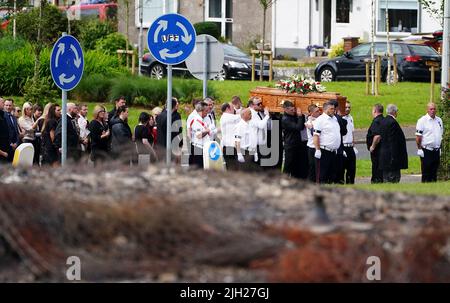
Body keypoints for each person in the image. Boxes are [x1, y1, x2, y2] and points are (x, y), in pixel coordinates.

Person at [313, 101, 341, 184]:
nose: (333, 110)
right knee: (322, 175)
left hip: (333, 152)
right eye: (331, 109)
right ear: (325, 109)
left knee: (332, 175)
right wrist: (317, 150)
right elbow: (316, 136)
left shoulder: (334, 118)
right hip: (324, 151)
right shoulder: (320, 120)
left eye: (334, 108)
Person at [379, 104, 408, 183]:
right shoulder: (393, 123)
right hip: (391, 158)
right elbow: (393, 142)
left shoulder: (383, 121)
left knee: (386, 179)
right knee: (393, 179)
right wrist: (394, 157)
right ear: (394, 112)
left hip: (384, 156)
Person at [415, 102, 444, 182]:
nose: (433, 111)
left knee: (434, 173)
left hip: (436, 151)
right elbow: (418, 137)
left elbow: (440, 134)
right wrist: (419, 149)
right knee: (426, 173)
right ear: (427, 110)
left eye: (434, 109)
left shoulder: (439, 120)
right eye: (431, 109)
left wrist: (439, 147)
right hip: (426, 151)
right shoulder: (422, 121)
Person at [281, 100, 305, 179]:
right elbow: (299, 127)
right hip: (290, 145)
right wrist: (300, 116)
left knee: (296, 165)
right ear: (285, 109)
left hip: (297, 144)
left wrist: (301, 115)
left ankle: (295, 180)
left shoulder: (292, 116)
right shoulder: (285, 119)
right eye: (291, 110)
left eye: (294, 109)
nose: (293, 111)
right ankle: (284, 180)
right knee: (288, 165)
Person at [328, 99, 347, 184]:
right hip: (338, 147)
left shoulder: (330, 118)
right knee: (338, 169)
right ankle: (338, 181)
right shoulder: (338, 118)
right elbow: (344, 132)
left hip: (330, 147)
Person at [248, 96, 270, 169]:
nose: (261, 105)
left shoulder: (258, 112)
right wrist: (267, 116)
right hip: (256, 145)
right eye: (258, 104)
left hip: (262, 144)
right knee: (257, 167)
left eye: (261, 103)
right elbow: (260, 125)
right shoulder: (250, 114)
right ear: (252, 105)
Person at [220, 102, 241, 170]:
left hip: (229, 147)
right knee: (232, 168)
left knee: (232, 167)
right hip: (229, 147)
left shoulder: (227, 117)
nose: (234, 110)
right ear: (227, 109)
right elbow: (240, 116)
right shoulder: (226, 116)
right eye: (232, 108)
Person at [189, 101, 210, 168]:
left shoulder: (202, 119)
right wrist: (207, 130)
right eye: (206, 111)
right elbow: (199, 135)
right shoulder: (196, 120)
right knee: (199, 169)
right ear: (201, 111)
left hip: (202, 147)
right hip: (198, 148)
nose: (207, 113)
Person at [366, 104, 384, 183]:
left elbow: (377, 136)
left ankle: (376, 181)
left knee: (376, 168)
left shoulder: (376, 121)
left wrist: (372, 146)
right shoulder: (384, 120)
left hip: (377, 151)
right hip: (383, 150)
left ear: (375, 111)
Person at [341, 101, 357, 184]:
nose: (347, 109)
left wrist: (353, 144)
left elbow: (352, 132)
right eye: (346, 107)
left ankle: (350, 184)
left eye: (349, 107)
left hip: (350, 146)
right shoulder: (340, 118)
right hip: (343, 146)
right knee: (342, 168)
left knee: (352, 169)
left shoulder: (351, 117)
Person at [305, 104, 321, 182]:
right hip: (312, 148)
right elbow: (314, 134)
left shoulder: (318, 120)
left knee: (318, 169)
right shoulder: (310, 122)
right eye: (317, 111)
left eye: (319, 110)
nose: (319, 112)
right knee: (314, 169)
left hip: (318, 147)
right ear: (312, 113)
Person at [0, 97, 10, 164]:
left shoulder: (3, 115)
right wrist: (2, 153)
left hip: (6, 150)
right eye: (3, 102)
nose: (4, 104)